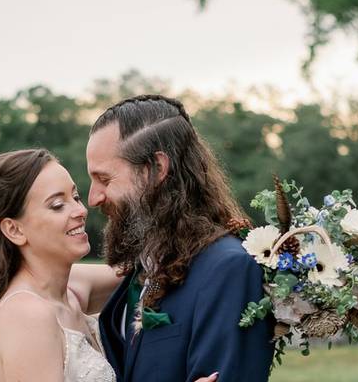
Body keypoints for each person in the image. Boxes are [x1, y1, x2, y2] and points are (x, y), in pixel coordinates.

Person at [0, 148, 220, 382]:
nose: (80, 210)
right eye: (57, 205)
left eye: (76, 196)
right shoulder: (27, 315)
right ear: (14, 230)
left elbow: (150, 267)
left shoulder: (71, 288)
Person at [87, 95, 272, 382]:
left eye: (105, 180)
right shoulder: (147, 263)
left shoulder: (227, 269)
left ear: (156, 169)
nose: (93, 198)